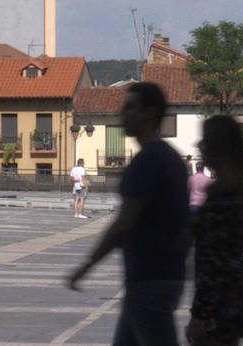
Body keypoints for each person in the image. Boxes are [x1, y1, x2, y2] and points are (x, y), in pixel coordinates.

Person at [67, 82, 189, 345]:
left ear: (150, 113)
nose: (124, 113)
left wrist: (87, 265)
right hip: (163, 277)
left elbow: (125, 222)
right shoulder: (173, 160)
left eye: (131, 107)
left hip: (149, 281)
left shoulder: (147, 162)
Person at [186, 115, 243, 345]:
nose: (200, 146)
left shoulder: (224, 194)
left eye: (205, 141)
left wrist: (201, 313)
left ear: (219, 146)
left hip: (219, 303)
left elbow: (215, 260)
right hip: (231, 297)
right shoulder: (236, 187)